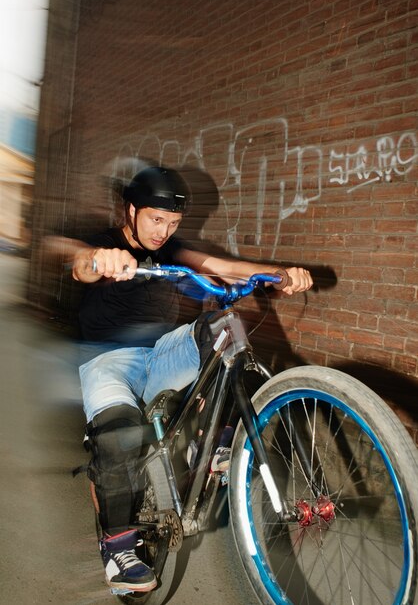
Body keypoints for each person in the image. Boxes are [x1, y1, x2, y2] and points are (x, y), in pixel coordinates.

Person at [67, 165, 313, 594]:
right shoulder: (105, 244)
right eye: (156, 220)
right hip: (108, 360)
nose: (163, 231)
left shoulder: (171, 251)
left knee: (227, 326)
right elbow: (80, 265)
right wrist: (100, 261)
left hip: (162, 354)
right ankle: (119, 545)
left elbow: (224, 266)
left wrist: (281, 273)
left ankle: (224, 442)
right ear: (131, 210)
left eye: (173, 224)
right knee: (118, 436)